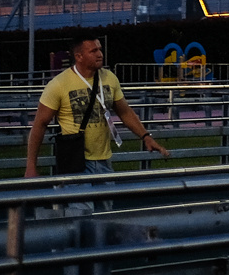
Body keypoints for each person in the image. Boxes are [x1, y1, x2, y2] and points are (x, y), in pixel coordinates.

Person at [26, 36, 170, 177]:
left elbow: (125, 112)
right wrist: (31, 166)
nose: (100, 54)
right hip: (75, 161)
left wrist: (146, 136)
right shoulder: (58, 84)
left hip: (104, 160)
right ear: (79, 56)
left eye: (99, 49)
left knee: (107, 194)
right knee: (80, 194)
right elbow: (40, 124)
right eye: (93, 51)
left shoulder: (109, 78)